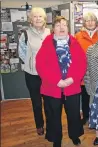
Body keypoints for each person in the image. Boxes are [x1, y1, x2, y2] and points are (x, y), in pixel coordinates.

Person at [36, 16, 86, 147]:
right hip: (52, 88)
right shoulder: (46, 43)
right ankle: (56, 138)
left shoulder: (75, 43)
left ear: (68, 28)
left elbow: (82, 64)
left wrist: (72, 79)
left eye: (64, 25)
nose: (62, 27)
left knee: (74, 114)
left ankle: (75, 135)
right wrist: (56, 81)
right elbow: (40, 66)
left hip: (72, 87)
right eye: (58, 25)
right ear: (53, 29)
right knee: (52, 115)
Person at [18, 7, 50, 136]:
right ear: (31, 19)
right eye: (35, 16)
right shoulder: (25, 34)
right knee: (36, 103)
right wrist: (32, 64)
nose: (38, 19)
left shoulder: (50, 32)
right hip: (32, 74)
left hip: (48, 75)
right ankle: (39, 125)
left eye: (40, 16)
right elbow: (22, 53)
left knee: (49, 102)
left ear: (44, 19)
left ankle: (50, 124)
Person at [74, 12, 98, 125]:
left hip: (97, 71)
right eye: (87, 20)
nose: (90, 22)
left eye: (92, 20)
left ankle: (96, 117)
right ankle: (85, 116)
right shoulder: (78, 36)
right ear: (84, 22)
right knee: (85, 97)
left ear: (96, 22)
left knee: (96, 96)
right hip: (83, 72)